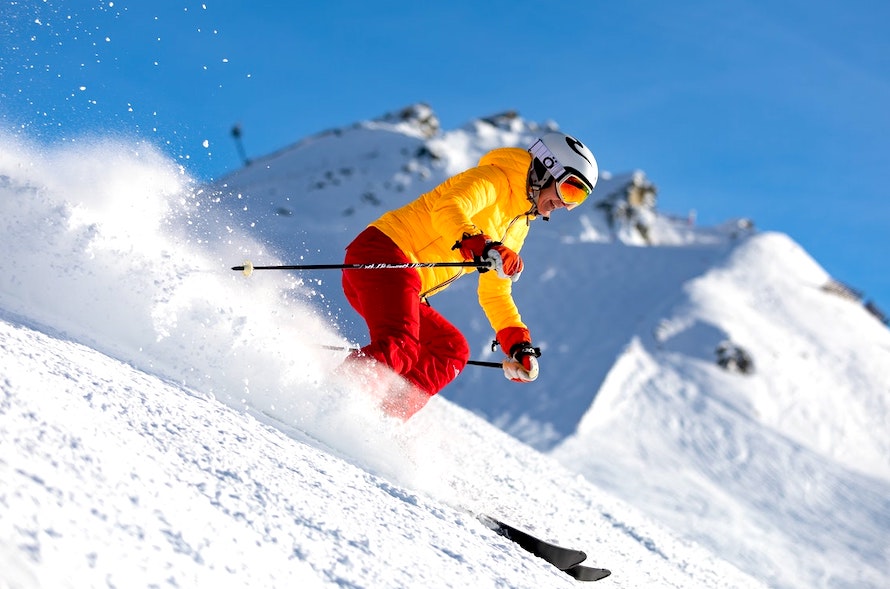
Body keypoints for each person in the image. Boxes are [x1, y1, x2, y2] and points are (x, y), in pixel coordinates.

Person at [341, 131, 598, 419]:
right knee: (401, 346)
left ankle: (381, 419)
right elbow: (448, 207)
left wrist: (517, 343)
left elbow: (495, 291)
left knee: (450, 350)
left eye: (578, 199)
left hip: (407, 283)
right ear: (546, 169)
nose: (566, 204)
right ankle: (335, 395)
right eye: (569, 190)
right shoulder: (494, 179)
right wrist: (480, 243)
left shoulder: (518, 223)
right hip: (385, 252)